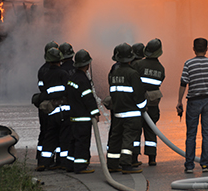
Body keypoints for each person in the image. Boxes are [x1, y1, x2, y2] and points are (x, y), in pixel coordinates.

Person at [176, 38, 208, 173]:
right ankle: (205, 164)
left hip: (193, 101)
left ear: (193, 49)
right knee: (207, 134)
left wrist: (179, 101)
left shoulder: (188, 64)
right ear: (207, 49)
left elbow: (183, 83)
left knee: (191, 134)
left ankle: (189, 165)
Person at [107, 43, 147, 174]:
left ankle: (112, 164)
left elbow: (112, 92)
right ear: (130, 58)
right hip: (132, 114)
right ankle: (126, 164)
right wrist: (143, 108)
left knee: (116, 138)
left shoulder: (113, 72)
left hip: (118, 112)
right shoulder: (133, 74)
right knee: (128, 139)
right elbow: (139, 95)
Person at [37, 47, 71, 171]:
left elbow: (43, 92)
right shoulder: (63, 74)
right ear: (60, 60)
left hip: (51, 112)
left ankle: (43, 162)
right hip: (63, 110)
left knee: (50, 137)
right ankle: (63, 162)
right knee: (64, 137)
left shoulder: (45, 74)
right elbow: (68, 91)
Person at [66, 49, 101, 174]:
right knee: (82, 143)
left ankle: (70, 165)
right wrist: (95, 112)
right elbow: (88, 98)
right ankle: (80, 167)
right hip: (83, 118)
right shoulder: (83, 80)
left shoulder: (73, 78)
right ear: (87, 64)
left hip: (73, 117)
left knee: (73, 142)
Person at [132, 38, 165, 166]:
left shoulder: (138, 65)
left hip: (137, 103)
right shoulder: (161, 69)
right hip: (152, 104)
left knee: (136, 131)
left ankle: (134, 158)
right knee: (151, 131)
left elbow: (133, 81)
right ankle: (152, 158)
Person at [34, 41, 59, 171]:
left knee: (44, 132)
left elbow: (42, 87)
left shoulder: (42, 70)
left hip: (44, 106)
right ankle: (52, 160)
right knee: (53, 133)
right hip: (52, 106)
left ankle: (41, 159)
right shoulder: (56, 72)